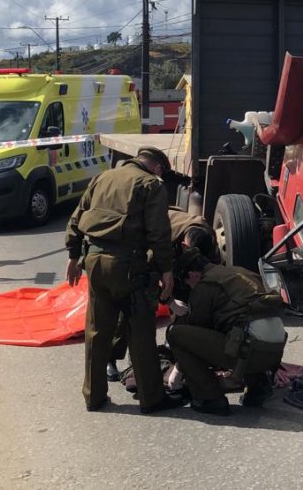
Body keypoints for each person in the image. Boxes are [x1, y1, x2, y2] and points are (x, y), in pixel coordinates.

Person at [64, 146, 185, 414]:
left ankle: (93, 397)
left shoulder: (103, 177)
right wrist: (166, 270)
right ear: (157, 168)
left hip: (94, 262)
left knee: (97, 331)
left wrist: (73, 255)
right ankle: (151, 398)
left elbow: (76, 216)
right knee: (140, 332)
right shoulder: (151, 185)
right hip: (129, 267)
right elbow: (159, 233)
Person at [166, 246, 287, 416]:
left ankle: (210, 397)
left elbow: (197, 329)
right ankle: (258, 386)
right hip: (274, 351)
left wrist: (178, 370)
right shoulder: (239, 272)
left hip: (252, 352)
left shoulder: (205, 285)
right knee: (240, 331)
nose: (188, 286)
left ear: (192, 275)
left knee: (176, 334)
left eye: (187, 283)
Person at [106, 207, 221, 382]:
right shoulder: (161, 237)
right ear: (184, 246)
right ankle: (112, 357)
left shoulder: (207, 238)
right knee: (135, 306)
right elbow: (145, 277)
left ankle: (177, 346)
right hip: (139, 257)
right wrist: (169, 301)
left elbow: (212, 273)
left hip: (176, 257)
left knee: (190, 305)